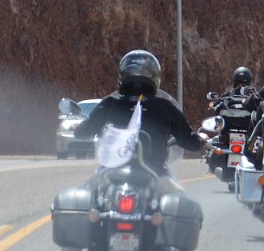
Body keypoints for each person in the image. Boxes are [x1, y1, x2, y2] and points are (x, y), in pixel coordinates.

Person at [74, 49, 204, 176]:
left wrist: (77, 127)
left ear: (122, 76)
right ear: (155, 78)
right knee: (177, 190)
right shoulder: (165, 106)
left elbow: (83, 132)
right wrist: (200, 139)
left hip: (114, 173)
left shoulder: (111, 103)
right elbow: (191, 143)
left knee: (90, 186)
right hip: (156, 174)